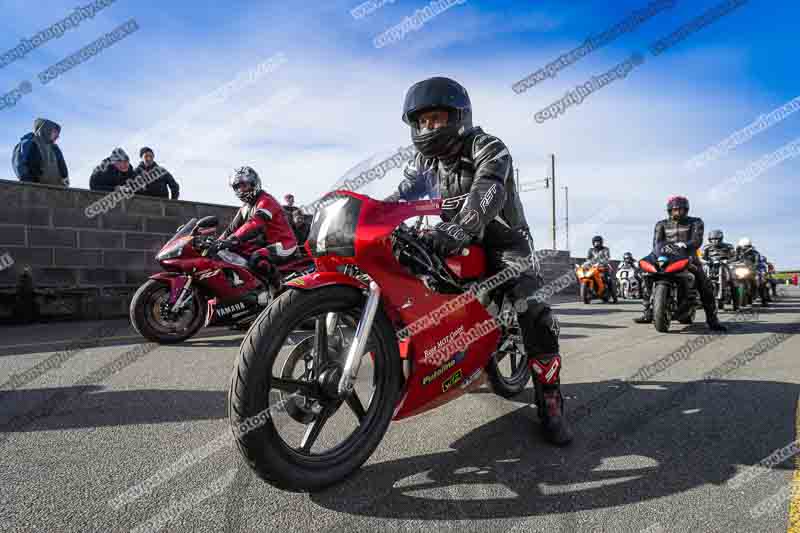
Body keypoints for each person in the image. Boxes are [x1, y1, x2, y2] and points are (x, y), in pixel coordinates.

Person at [385, 76, 572, 445]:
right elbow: (399, 197)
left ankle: (549, 396)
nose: (428, 128)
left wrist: (462, 228)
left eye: (436, 118)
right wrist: (366, 215)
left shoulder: (488, 146)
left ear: (459, 116)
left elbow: (488, 189)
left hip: (504, 241)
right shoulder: (425, 161)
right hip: (450, 240)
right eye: (421, 122)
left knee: (532, 306)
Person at [634, 195, 726, 331]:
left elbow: (697, 240)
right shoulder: (661, 224)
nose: (678, 212)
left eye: (681, 209)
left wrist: (686, 245)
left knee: (705, 285)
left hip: (689, 257)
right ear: (669, 210)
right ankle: (648, 311)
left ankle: (712, 319)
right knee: (646, 275)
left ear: (686, 210)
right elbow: (656, 243)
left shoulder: (696, 222)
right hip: (666, 258)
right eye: (675, 209)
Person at [215, 167, 298, 291]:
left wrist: (233, 239)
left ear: (254, 183)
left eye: (243, 185)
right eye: (237, 187)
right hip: (264, 243)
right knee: (234, 253)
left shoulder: (266, 200)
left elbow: (255, 223)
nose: (240, 190)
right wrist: (217, 243)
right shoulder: (245, 208)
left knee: (258, 258)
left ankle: (277, 290)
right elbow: (230, 229)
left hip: (284, 244)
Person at [13, 118, 69, 186]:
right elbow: (20, 164)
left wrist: (65, 181)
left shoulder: (55, 148)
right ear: (46, 129)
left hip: (56, 188)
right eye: (55, 132)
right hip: (37, 188)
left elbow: (62, 167)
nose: (57, 136)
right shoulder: (29, 143)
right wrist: (29, 182)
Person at [586, 235, 616, 300]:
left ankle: (614, 296)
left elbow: (607, 257)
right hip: (593, 267)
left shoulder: (605, 249)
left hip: (603, 266)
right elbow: (588, 258)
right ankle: (589, 292)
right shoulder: (591, 250)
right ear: (593, 242)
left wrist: (603, 262)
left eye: (598, 242)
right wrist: (587, 263)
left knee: (608, 279)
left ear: (601, 242)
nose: (597, 243)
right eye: (595, 242)